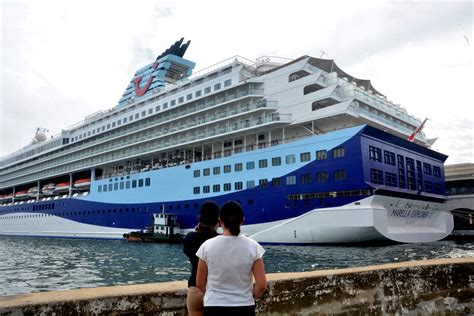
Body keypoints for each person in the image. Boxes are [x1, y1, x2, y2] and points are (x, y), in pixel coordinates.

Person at [196, 201, 266, 316]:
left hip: (214, 307)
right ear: (242, 220)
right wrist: (248, 297)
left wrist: (212, 296)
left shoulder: (207, 246)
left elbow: (199, 283)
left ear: (220, 221)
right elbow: (262, 285)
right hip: (244, 307)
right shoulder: (254, 247)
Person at [183, 201, 220, 316]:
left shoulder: (190, 238)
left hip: (195, 289)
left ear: (199, 219)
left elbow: (187, 251)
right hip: (216, 291)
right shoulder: (220, 241)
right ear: (218, 221)